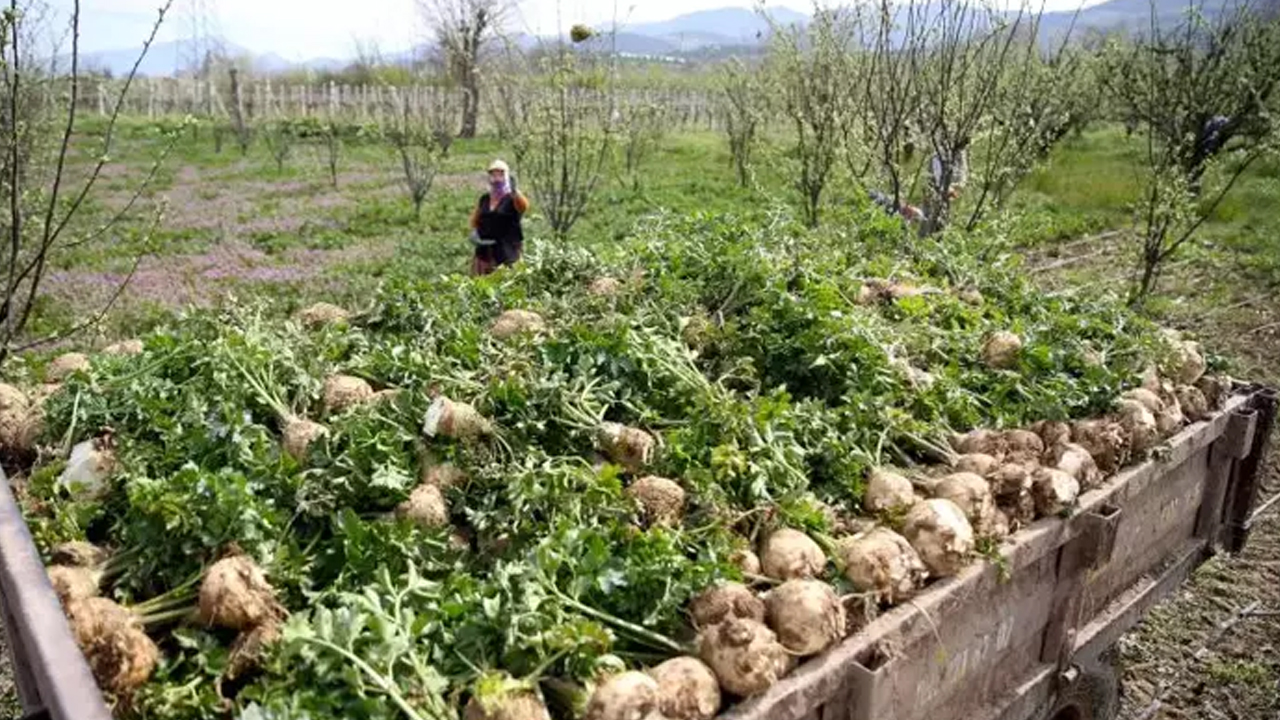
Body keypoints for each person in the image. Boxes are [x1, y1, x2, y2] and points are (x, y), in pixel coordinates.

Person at [469, 159, 530, 276]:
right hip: (485, 253)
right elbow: (475, 220)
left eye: (501, 174)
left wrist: (515, 192)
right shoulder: (485, 199)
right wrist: (474, 233)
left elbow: (524, 207)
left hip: (508, 252)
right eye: (493, 174)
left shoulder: (513, 198)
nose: (497, 178)